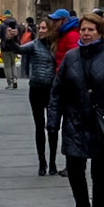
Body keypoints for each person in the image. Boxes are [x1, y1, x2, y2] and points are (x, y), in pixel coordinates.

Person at [46, 11, 104, 207]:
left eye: (91, 30)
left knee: (100, 174)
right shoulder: (71, 57)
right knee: (74, 171)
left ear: (100, 33)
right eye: (83, 29)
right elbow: (57, 91)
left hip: (102, 122)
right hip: (75, 121)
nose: (86, 33)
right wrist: (53, 121)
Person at [21, 17, 60, 176]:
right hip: (36, 89)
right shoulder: (34, 44)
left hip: (52, 90)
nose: (41, 31)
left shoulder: (57, 46)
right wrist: (9, 39)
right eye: (40, 28)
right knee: (39, 126)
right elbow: (18, 49)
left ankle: (53, 162)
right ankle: (42, 161)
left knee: (53, 127)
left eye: (44, 28)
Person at [0, 18, 21, 89]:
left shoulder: (2, 25)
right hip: (14, 47)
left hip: (5, 48)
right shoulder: (16, 26)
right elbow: (19, 36)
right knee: (13, 64)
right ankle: (15, 79)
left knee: (7, 65)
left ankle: (10, 82)